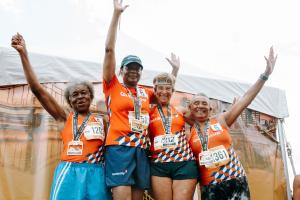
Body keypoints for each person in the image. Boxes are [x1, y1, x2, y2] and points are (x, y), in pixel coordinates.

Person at [11, 33, 111, 200]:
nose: (80, 97)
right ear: (69, 101)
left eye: (84, 93)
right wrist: (23, 54)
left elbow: (109, 150)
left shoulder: (103, 120)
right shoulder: (64, 118)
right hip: (69, 173)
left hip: (97, 173)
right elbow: (37, 90)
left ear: (91, 96)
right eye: (75, 95)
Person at [102, 1, 178, 199]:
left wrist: (174, 72)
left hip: (141, 149)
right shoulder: (112, 85)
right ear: (121, 70)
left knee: (138, 197)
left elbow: (165, 93)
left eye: (137, 68)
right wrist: (116, 15)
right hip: (119, 148)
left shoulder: (145, 92)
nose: (134, 70)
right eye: (129, 67)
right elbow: (109, 50)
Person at [188, 47, 277, 200]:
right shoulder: (188, 128)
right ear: (190, 107)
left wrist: (265, 75)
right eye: (196, 103)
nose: (200, 106)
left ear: (211, 108)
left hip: (235, 181)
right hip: (209, 187)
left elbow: (245, 99)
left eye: (204, 103)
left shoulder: (221, 119)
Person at [148, 72, 199, 200]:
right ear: (154, 91)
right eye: (160, 88)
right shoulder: (148, 112)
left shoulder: (180, 109)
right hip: (159, 164)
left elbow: (201, 124)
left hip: (184, 162)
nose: (164, 92)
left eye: (168, 89)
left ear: (172, 91)